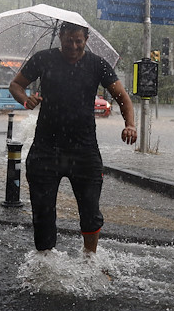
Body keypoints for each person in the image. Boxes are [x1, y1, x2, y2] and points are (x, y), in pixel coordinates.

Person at [9, 21, 136, 256]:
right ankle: (45, 260)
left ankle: (90, 258)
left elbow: (123, 98)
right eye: (69, 41)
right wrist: (25, 99)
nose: (74, 46)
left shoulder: (97, 64)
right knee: (43, 210)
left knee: (90, 210)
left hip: (84, 149)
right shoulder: (43, 59)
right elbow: (15, 84)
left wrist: (130, 125)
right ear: (61, 37)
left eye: (79, 41)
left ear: (86, 40)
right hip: (46, 148)